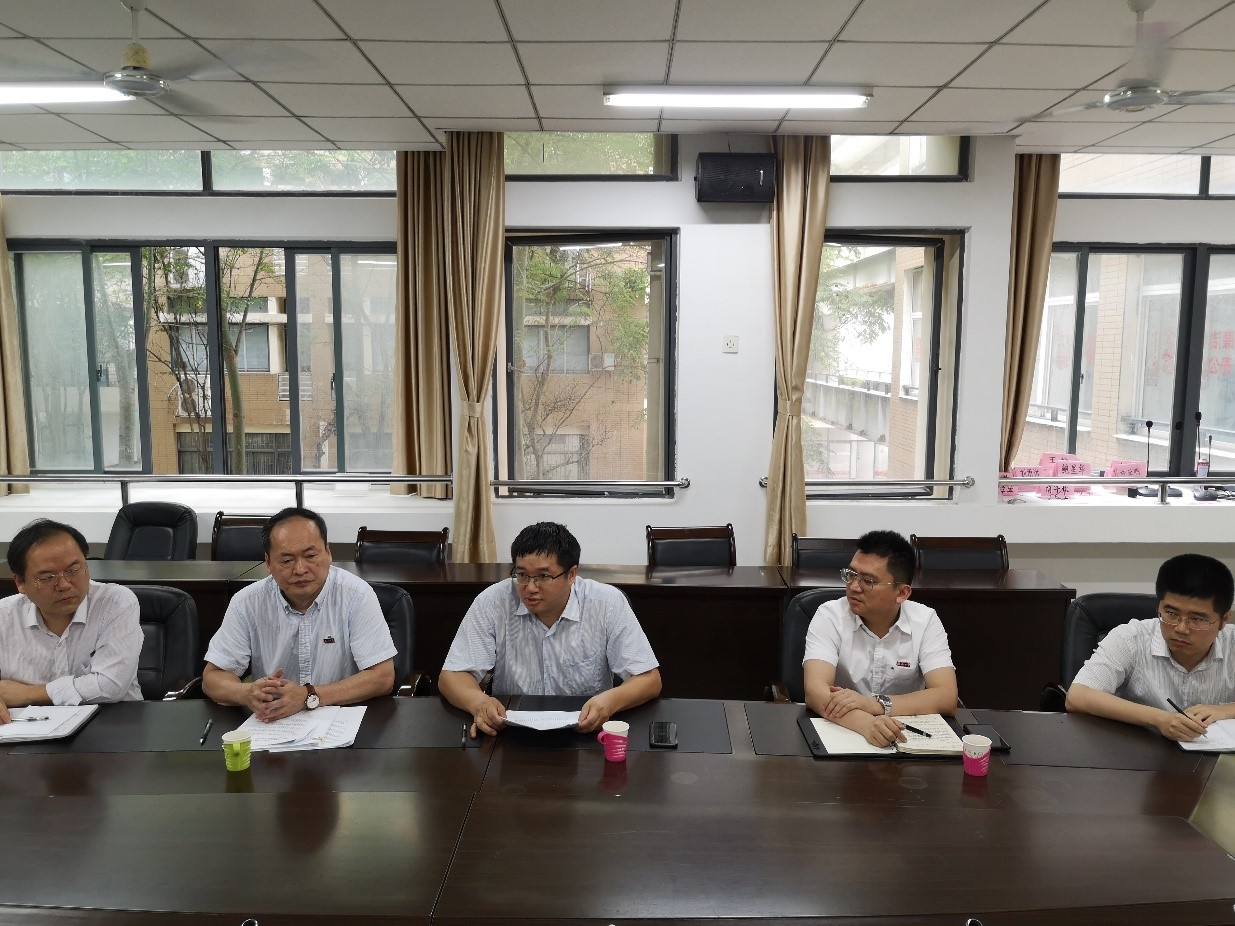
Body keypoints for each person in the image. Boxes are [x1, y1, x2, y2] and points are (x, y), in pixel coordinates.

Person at [439, 521, 661, 736]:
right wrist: (478, 702)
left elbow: (650, 680)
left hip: (587, 730)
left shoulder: (606, 603)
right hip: (511, 731)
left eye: (543, 576)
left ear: (572, 574)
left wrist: (610, 702)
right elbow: (452, 676)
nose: (530, 587)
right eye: (522, 575)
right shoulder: (492, 602)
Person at [203, 507, 396, 721]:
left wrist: (308, 696)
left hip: (342, 720)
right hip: (275, 722)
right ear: (268, 563)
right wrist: (247, 693)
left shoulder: (356, 596)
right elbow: (213, 678)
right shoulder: (247, 602)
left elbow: (382, 677)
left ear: (328, 553)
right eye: (287, 560)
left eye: (310, 556)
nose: (300, 569)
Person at [802, 530, 958, 747]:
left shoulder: (925, 621)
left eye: (868, 581)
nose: (853, 587)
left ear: (902, 593)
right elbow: (815, 691)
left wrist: (875, 704)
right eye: (851, 574)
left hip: (904, 737)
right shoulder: (830, 615)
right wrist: (867, 724)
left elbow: (946, 696)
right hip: (842, 731)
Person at [1067, 553, 1235, 742]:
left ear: (1224, 620)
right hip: (1138, 751)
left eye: (1197, 619)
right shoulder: (1131, 638)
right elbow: (1077, 696)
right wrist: (1161, 720)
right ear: (1159, 607)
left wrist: (1225, 710)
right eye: (1171, 613)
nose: (1181, 628)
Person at [0, 518, 142, 723]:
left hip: (114, 724)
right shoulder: (4, 615)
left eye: (73, 570)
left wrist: (27, 694)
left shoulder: (115, 602)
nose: (64, 584)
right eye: (47, 577)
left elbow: (110, 685)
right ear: (21, 582)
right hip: (24, 730)